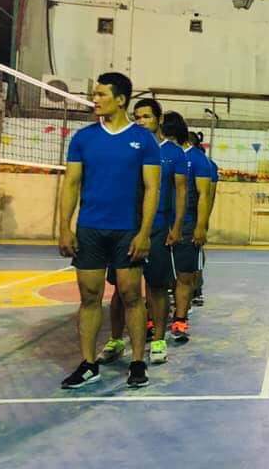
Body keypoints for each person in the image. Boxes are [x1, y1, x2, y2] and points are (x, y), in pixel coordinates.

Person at [58, 72, 161, 389]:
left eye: (101, 94)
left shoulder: (144, 140)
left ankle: (137, 363)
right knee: (89, 297)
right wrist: (65, 227)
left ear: (121, 99)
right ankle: (89, 365)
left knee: (131, 296)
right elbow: (71, 184)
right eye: (95, 94)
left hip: (126, 231)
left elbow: (152, 189)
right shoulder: (83, 138)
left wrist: (144, 233)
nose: (95, 99)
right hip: (90, 229)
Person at [96, 99, 187, 366]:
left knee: (157, 287)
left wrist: (176, 226)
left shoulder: (174, 153)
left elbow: (181, 192)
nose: (141, 121)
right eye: (137, 117)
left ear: (159, 119)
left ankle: (158, 340)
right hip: (125, 228)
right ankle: (116, 340)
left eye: (146, 116)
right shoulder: (128, 148)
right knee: (121, 290)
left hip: (158, 229)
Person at [167, 113, 213, 343]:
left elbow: (205, 195)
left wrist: (201, 226)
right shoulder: (161, 155)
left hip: (186, 225)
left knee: (185, 275)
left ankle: (180, 319)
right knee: (159, 278)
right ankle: (153, 319)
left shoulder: (198, 160)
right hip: (161, 224)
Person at [190, 131, 217, 308]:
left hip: (193, 218)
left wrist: (203, 220)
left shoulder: (206, 164)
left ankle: (197, 289)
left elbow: (209, 195)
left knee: (196, 252)